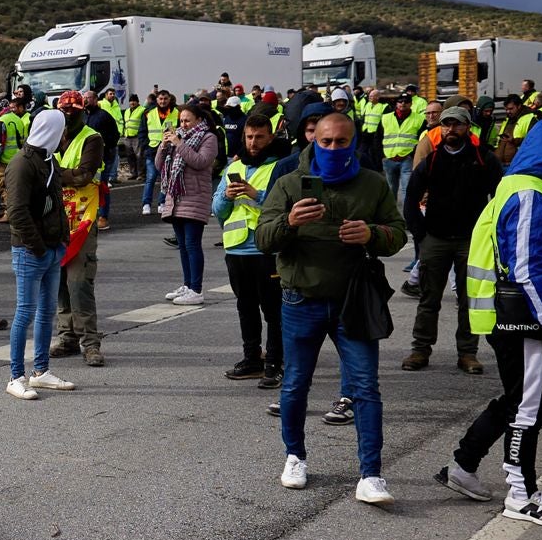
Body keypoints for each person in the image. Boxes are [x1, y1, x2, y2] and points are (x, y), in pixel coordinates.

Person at [438, 119, 542, 526]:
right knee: (529, 409)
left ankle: (463, 467)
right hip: (529, 323)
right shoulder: (531, 195)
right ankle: (521, 496)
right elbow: (528, 268)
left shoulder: (526, 186)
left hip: (514, 319)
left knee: (515, 399)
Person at [256, 112, 407, 505]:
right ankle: (295, 456)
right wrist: (289, 222)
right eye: (327, 142)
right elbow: (263, 239)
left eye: (342, 142)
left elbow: (398, 234)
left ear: (354, 142)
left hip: (352, 303)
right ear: (313, 141)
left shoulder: (372, 184)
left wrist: (372, 234)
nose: (334, 149)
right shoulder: (289, 182)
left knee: (365, 388)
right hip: (300, 300)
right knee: (295, 384)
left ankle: (371, 475)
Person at [401, 106, 502, 374]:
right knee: (428, 299)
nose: (450, 130)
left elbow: (500, 199)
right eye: (446, 125)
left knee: (469, 300)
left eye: (456, 124)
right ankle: (420, 350)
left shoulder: (484, 159)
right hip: (435, 238)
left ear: (468, 127)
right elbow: (411, 199)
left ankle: (468, 353)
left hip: (471, 241)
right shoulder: (432, 161)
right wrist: (421, 234)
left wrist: (489, 233)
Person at [215, 110, 298, 389]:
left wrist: (256, 194)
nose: (253, 142)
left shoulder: (279, 168)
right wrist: (226, 198)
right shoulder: (232, 168)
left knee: (274, 311)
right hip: (237, 249)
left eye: (259, 137)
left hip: (267, 250)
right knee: (245, 307)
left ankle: (275, 363)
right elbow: (217, 210)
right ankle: (252, 358)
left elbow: (284, 206)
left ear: (270, 137)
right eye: (249, 137)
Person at [2, 109, 73, 399]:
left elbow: (56, 203)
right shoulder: (21, 164)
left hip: (52, 248)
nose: (65, 135)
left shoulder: (48, 159)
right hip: (32, 250)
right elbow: (16, 212)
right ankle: (15, 376)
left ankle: (41, 371)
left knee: (46, 312)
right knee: (25, 313)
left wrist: (61, 243)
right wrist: (41, 248)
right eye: (63, 129)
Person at [52, 90, 108, 366]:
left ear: (83, 111)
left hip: (83, 220)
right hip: (55, 219)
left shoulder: (92, 138)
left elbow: (85, 174)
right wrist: (67, 177)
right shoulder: (52, 137)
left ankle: (90, 343)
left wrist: (54, 175)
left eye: (74, 110)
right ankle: (67, 337)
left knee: (79, 283)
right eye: (65, 110)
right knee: (60, 282)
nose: (69, 115)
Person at [155, 102, 222, 306]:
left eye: (187, 120)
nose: (183, 124)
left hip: (195, 196)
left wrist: (178, 143)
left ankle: (196, 289)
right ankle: (187, 284)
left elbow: (200, 161)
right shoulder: (180, 139)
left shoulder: (208, 137)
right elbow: (159, 166)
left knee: (193, 244)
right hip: (176, 198)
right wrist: (163, 146)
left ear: (199, 120)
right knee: (183, 245)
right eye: (181, 121)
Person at [84, 90, 122, 231]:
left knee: (102, 186)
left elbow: (115, 135)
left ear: (95, 100)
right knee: (89, 186)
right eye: (84, 98)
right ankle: (91, 215)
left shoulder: (104, 117)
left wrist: (105, 146)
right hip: (88, 158)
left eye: (88, 98)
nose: (86, 100)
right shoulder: (83, 116)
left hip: (104, 158)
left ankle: (103, 216)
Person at [139, 90, 177, 216]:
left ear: (169, 99)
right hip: (153, 149)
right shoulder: (148, 113)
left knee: (165, 179)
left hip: (169, 151)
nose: (163, 101)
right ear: (157, 100)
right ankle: (146, 204)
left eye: (165, 98)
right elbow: (142, 131)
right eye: (160, 99)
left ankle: (162, 203)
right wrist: (144, 146)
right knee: (150, 178)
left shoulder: (177, 113)